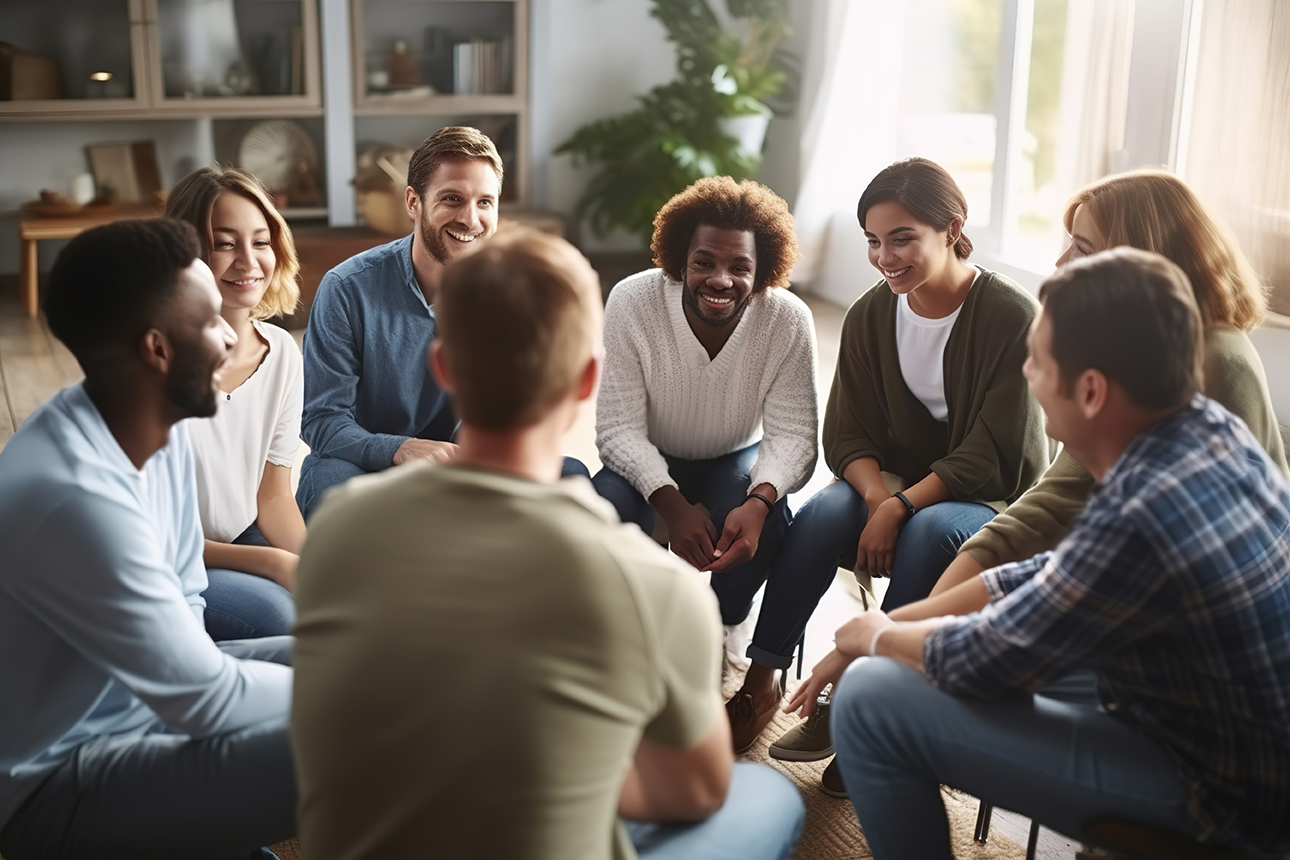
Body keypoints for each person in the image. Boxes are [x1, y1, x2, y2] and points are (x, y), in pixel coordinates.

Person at [291, 228, 806, 860]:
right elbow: (691, 793)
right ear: (588, 381)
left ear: (444, 366)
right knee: (768, 796)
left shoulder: (340, 528)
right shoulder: (659, 587)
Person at [788, 248, 1290, 858]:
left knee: (870, 696)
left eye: (1039, 357)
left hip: (1219, 797)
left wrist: (869, 640)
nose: (1027, 372)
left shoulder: (1138, 514)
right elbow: (1055, 579)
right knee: (900, 654)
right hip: (1218, 722)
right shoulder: (1206, 430)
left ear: (1091, 389)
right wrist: (891, 623)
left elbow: (984, 659)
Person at [0, 219, 296, 860]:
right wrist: (385, 684)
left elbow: (189, 607)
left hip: (144, 714)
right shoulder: (74, 496)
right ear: (158, 350)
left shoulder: (153, 428)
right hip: (56, 789)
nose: (228, 337)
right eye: (210, 321)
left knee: (345, 656)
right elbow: (207, 699)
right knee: (372, 727)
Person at [748, 157, 1050, 758]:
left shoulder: (1011, 316)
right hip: (894, 486)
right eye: (873, 241)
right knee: (821, 517)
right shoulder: (869, 314)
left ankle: (864, 707)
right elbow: (848, 434)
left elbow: (996, 454)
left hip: (981, 496)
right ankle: (761, 680)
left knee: (929, 531)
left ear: (952, 229)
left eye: (903, 238)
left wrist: (903, 506)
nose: (886, 257)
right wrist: (880, 499)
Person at [925, 169, 1289, 602]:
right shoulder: (1133, 350)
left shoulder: (1218, 362)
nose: (1061, 263)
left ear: (1138, 261)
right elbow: (1059, 495)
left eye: (1082, 248)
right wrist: (929, 609)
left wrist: (912, 628)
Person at [590, 177, 819, 753]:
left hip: (730, 456)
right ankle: (629, 647)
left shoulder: (786, 318)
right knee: (605, 504)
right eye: (703, 262)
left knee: (748, 504)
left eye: (739, 266)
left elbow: (794, 436)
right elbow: (616, 428)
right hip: (647, 453)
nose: (720, 279)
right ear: (677, 262)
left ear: (762, 267)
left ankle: (722, 624)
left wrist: (761, 499)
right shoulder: (633, 300)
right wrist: (668, 500)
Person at [296, 126, 586, 518]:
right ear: (413, 202)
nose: (470, 219)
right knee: (327, 481)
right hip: (370, 465)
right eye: (452, 199)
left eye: (485, 202)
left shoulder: (515, 292)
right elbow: (322, 420)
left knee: (572, 475)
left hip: (470, 464)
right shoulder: (346, 288)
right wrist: (399, 449)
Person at [165, 166, 305, 641]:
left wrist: (316, 568)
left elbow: (273, 496)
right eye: (225, 243)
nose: (249, 262)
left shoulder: (282, 350)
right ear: (187, 254)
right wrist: (272, 562)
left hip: (244, 535)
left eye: (261, 241)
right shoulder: (158, 363)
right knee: (282, 622)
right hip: (174, 560)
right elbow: (155, 532)